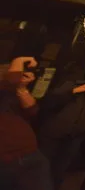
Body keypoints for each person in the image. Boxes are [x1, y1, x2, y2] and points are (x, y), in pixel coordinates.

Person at [39, 47, 85, 189]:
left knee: (62, 166)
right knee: (43, 164)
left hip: (78, 132)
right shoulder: (73, 76)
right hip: (57, 128)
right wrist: (74, 90)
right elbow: (51, 98)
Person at [0, 57, 53, 190]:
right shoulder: (5, 87)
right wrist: (21, 59)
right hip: (6, 158)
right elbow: (12, 79)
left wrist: (22, 88)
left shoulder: (11, 93)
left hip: (29, 153)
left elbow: (32, 110)